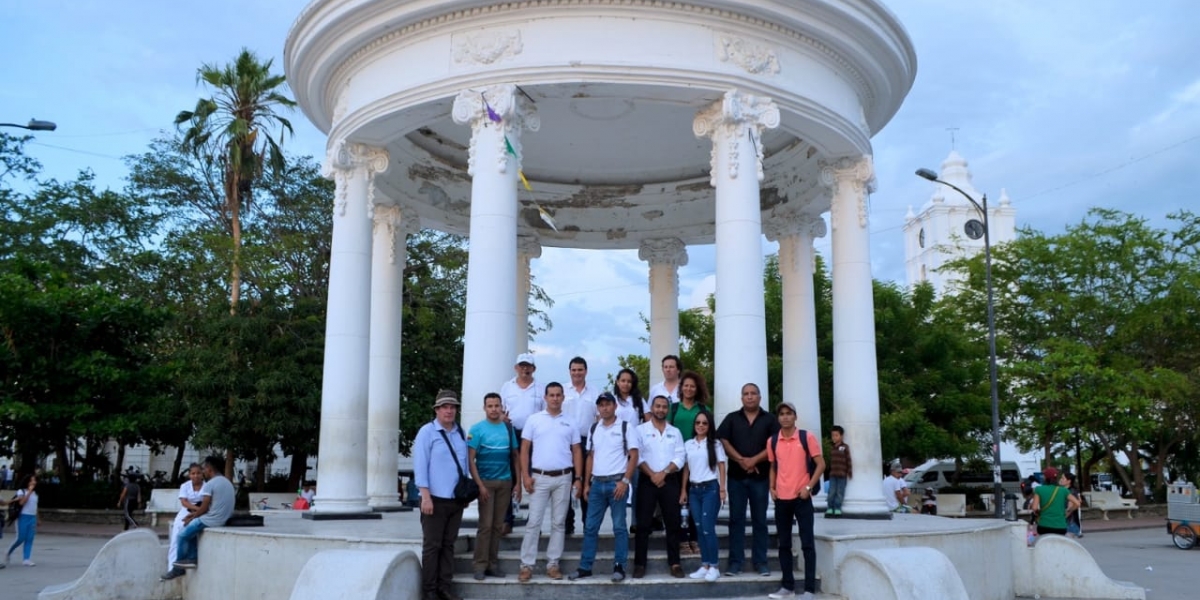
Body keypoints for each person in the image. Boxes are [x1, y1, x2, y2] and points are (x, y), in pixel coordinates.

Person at [569, 391, 639, 582]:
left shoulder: (625, 427)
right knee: (590, 527)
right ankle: (585, 567)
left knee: (619, 527)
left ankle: (619, 566)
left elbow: (634, 455)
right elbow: (590, 456)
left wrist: (625, 481)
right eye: (601, 405)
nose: (605, 407)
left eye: (608, 404)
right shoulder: (594, 428)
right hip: (597, 484)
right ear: (598, 407)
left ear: (615, 406)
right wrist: (586, 483)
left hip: (617, 483)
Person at [518, 382, 583, 583]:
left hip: (564, 477)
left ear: (563, 397)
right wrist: (525, 477)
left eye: (558, 395)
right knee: (533, 522)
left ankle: (553, 564)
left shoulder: (570, 422)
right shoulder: (534, 420)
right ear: (545, 398)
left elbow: (577, 451)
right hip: (539, 477)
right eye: (551, 395)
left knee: (558, 523)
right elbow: (525, 449)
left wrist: (578, 478)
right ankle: (526, 566)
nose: (555, 398)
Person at [412, 389, 470, 600]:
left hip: (455, 500)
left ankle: (444, 588)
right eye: (444, 407)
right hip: (434, 499)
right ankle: (429, 591)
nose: (449, 411)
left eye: (452, 406)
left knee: (448, 545)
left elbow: (463, 465)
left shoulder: (460, 432)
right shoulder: (427, 432)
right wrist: (425, 496)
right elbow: (421, 466)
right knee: (432, 546)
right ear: (437, 410)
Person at [718, 383, 778, 577]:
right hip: (736, 478)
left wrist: (754, 460)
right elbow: (723, 440)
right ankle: (735, 562)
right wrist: (741, 460)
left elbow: (775, 444)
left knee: (760, 521)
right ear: (741, 397)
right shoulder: (732, 418)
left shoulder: (770, 419)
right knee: (736, 520)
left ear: (760, 397)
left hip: (760, 479)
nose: (750, 397)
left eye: (753, 394)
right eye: (746, 394)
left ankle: (761, 562)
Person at [767, 402, 825, 600]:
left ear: (795, 416)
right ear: (778, 418)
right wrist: (772, 488)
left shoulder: (806, 437)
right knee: (783, 544)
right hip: (782, 498)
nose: (785, 417)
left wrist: (808, 487)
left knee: (807, 542)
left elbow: (821, 464)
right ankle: (787, 586)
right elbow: (773, 466)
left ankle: (809, 589)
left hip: (802, 497)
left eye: (788, 413)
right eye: (781, 414)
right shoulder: (773, 441)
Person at [632, 395, 686, 579]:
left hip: (669, 480)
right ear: (652, 408)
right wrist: (653, 474)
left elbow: (680, 456)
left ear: (667, 409)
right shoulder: (639, 430)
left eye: (664, 407)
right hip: (647, 480)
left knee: (673, 522)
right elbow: (636, 456)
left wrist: (663, 473)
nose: (661, 409)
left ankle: (675, 563)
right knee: (643, 523)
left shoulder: (675, 432)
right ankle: (639, 564)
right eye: (658, 406)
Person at [468, 392, 520, 581]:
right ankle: (479, 565)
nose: (494, 409)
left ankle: (492, 564)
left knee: (498, 526)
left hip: (505, 482)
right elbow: (470, 459)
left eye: (497, 406)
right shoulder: (477, 429)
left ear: (501, 407)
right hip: (486, 484)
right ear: (485, 408)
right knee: (485, 526)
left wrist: (518, 484)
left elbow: (515, 456)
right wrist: (479, 485)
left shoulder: (507, 429)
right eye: (490, 406)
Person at [160, 455, 234, 580]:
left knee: (182, 535)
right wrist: (193, 515)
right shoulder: (226, 482)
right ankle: (192, 558)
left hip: (211, 519)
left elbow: (204, 508)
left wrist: (192, 517)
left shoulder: (210, 484)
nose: (203, 471)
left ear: (210, 469)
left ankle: (178, 569)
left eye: (204, 469)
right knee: (192, 530)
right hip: (223, 518)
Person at [679, 410, 726, 582]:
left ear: (709, 425)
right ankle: (705, 564)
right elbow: (686, 468)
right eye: (698, 423)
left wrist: (723, 488)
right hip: (694, 490)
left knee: (707, 527)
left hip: (710, 489)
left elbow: (721, 466)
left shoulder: (715, 444)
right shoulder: (689, 444)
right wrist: (684, 490)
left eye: (704, 423)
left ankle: (714, 566)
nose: (700, 426)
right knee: (699, 528)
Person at [500, 353, 543, 535]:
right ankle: (506, 520)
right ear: (516, 368)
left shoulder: (540, 388)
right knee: (510, 476)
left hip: (534, 436)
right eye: (522, 366)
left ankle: (535, 522)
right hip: (512, 432)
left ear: (533, 369)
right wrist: (503, 417)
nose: (525, 369)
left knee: (535, 478)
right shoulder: (507, 387)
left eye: (528, 366)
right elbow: (500, 409)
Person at [668, 370, 709, 556]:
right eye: (686, 385)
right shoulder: (673, 409)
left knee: (694, 503)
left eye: (692, 386)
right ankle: (682, 539)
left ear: (697, 388)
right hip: (676, 462)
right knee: (678, 503)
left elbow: (710, 433)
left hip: (697, 462)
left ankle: (694, 538)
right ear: (681, 388)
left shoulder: (703, 410)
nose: (689, 389)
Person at [562, 356, 598, 536]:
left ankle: (587, 524)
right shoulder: (562, 391)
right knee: (566, 482)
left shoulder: (594, 392)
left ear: (586, 371)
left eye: (580, 369)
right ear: (570, 371)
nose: (577, 373)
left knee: (585, 482)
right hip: (565, 443)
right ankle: (567, 524)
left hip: (586, 443)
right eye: (574, 370)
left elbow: (599, 418)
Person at [168, 464, 205, 569]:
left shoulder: (207, 486)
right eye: (193, 473)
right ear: (189, 475)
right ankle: (172, 567)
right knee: (176, 535)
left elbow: (207, 502)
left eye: (198, 473)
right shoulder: (185, 486)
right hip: (186, 511)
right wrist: (197, 509)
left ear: (202, 474)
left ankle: (189, 559)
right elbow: (184, 502)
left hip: (201, 513)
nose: (196, 476)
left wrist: (200, 511)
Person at [1031, 467, 1081, 536]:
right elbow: (1077, 503)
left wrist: (1038, 513)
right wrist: (1068, 511)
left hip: (1044, 526)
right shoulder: (1063, 490)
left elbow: (1034, 508)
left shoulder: (1039, 489)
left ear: (1045, 478)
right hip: (1060, 527)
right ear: (1056, 478)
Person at [5, 474, 39, 567]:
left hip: (32, 517)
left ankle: (26, 559)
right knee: (21, 538)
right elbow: (22, 502)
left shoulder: (35, 494)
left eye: (34, 480)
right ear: (27, 482)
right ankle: (9, 551)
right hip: (23, 517)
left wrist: (38, 519)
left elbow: (35, 507)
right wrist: (29, 491)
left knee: (29, 538)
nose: (34, 482)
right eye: (32, 480)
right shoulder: (21, 491)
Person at [825, 425, 852, 517]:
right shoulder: (832, 448)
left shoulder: (845, 447)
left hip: (842, 474)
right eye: (833, 435)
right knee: (831, 491)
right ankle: (830, 507)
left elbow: (848, 459)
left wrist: (849, 471)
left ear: (841, 436)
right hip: (833, 474)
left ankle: (837, 508)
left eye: (836, 435)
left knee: (840, 492)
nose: (834, 437)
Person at [1063, 472, 1083, 538]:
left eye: (1063, 478)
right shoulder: (1064, 490)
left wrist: (1062, 518)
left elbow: (1070, 507)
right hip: (1068, 522)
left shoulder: (1071, 491)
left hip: (1070, 522)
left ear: (1069, 481)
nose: (1060, 479)